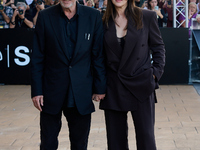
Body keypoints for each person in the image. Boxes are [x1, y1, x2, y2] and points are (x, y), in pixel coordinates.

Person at [31, 0, 106, 149]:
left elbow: (98, 55)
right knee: (48, 143)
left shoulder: (93, 16)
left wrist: (100, 87)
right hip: (51, 91)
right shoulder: (45, 16)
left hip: (81, 91)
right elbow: (37, 57)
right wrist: (37, 91)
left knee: (80, 144)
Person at [99, 0, 165, 149]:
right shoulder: (102, 20)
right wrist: (99, 85)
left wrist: (155, 74)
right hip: (114, 86)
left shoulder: (147, 16)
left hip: (141, 84)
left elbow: (158, 47)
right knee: (115, 141)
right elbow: (99, 56)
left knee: (146, 139)